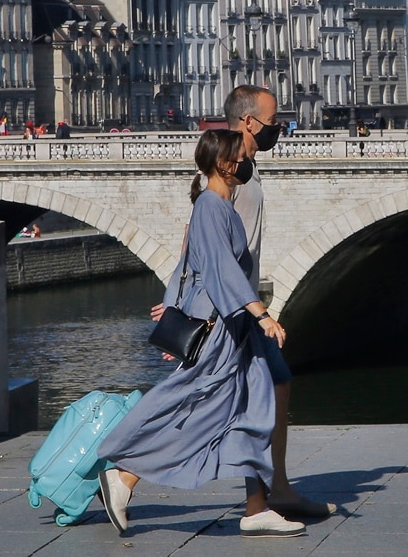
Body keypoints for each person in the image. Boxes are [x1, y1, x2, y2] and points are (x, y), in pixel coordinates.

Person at [98, 129, 304, 539]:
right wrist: (261, 313)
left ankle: (256, 506)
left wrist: (178, 304)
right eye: (238, 157)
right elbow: (220, 270)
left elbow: (191, 262)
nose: (246, 160)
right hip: (224, 334)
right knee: (200, 408)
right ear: (225, 165)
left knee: (253, 410)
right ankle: (124, 475)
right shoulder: (212, 206)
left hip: (235, 332)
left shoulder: (217, 206)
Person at [151, 86, 335, 521]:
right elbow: (207, 252)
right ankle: (123, 473)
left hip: (237, 309)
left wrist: (176, 299)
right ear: (250, 122)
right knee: (206, 399)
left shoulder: (238, 169)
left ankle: (272, 492)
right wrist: (182, 308)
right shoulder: (237, 176)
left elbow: (194, 242)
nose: (278, 129)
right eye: (273, 122)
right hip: (232, 313)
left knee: (271, 386)